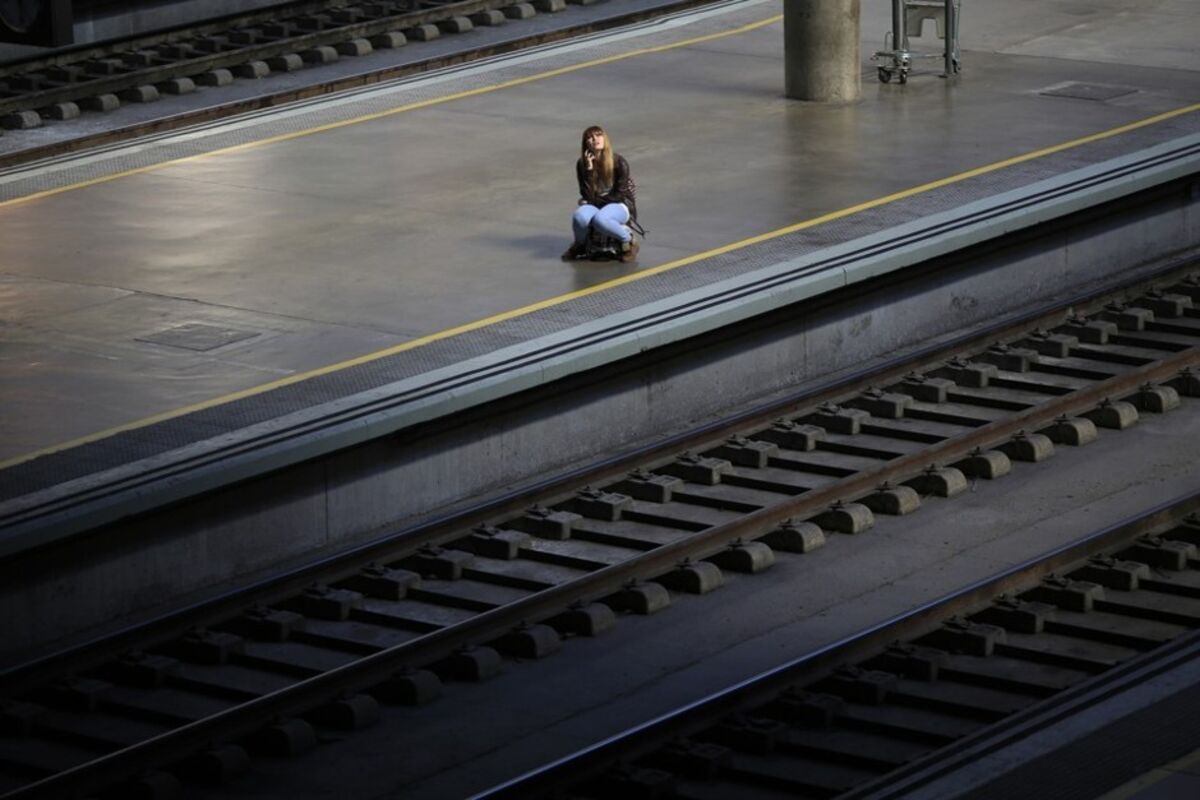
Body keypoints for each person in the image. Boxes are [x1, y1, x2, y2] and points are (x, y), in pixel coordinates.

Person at [561, 125, 642, 263]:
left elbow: (619, 195)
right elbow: (586, 194)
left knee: (601, 219)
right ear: (586, 143)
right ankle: (580, 245)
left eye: (598, 135)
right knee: (579, 216)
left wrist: (595, 200)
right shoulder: (582, 164)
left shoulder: (619, 162)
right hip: (597, 203)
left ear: (605, 139)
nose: (595, 139)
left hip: (620, 205)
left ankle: (628, 241)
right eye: (590, 138)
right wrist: (589, 170)